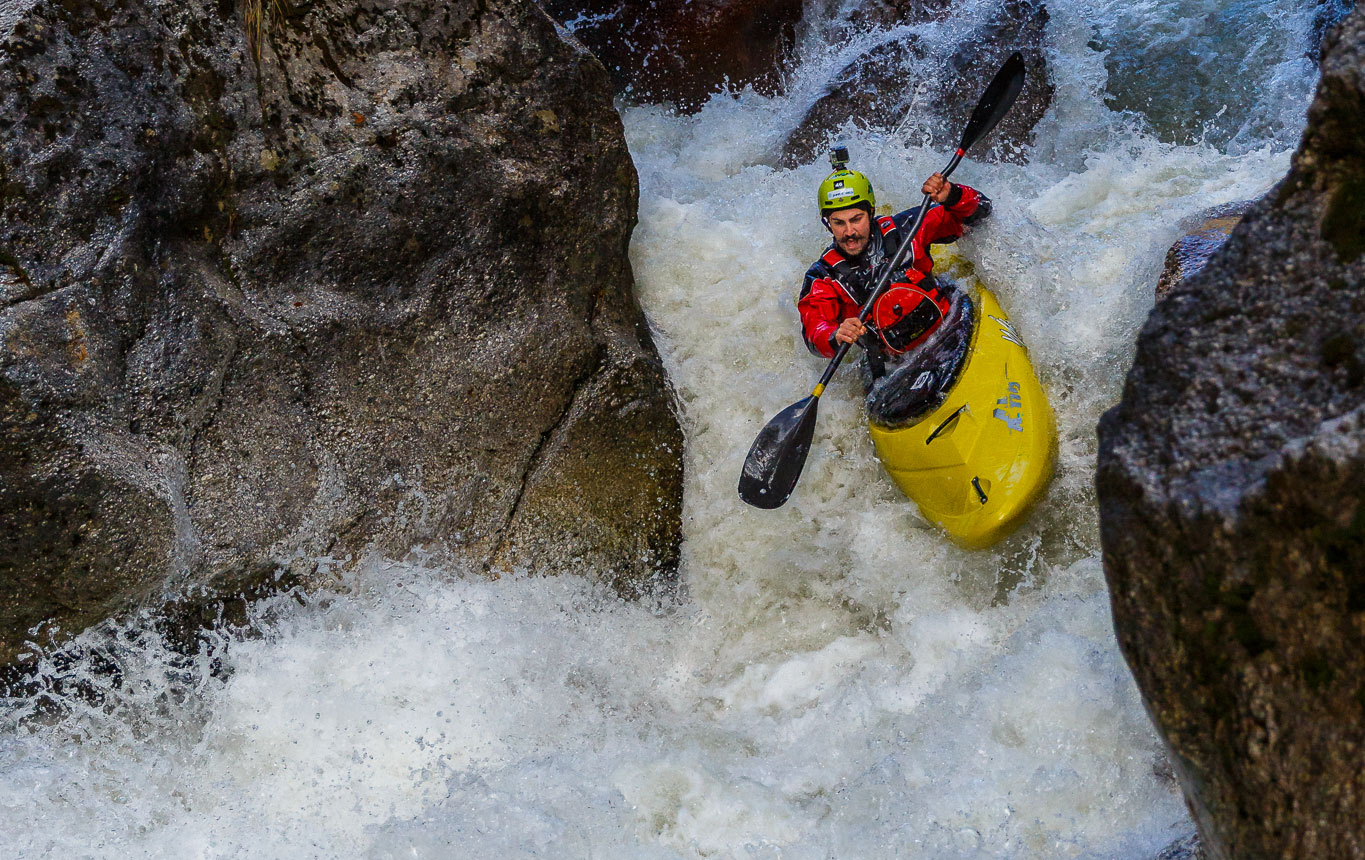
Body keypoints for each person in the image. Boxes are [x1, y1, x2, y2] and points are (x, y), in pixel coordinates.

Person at [797, 147, 990, 374]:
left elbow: (981, 211)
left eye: (856, 219)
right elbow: (814, 329)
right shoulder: (824, 276)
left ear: (870, 212)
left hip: (950, 325)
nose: (849, 232)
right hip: (896, 364)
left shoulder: (906, 229)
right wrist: (834, 335)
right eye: (839, 223)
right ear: (827, 223)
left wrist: (953, 195)